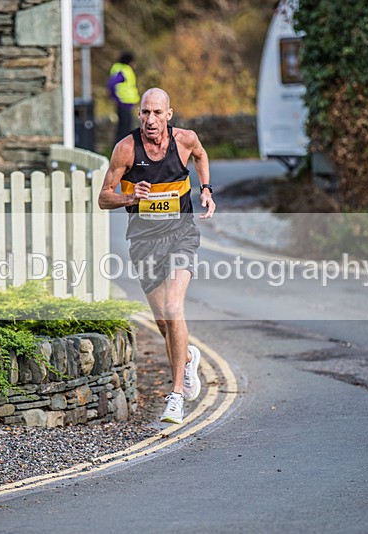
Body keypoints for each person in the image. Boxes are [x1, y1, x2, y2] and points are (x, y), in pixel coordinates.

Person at [98, 87, 215, 424]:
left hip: (181, 235)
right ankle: (188, 356)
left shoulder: (185, 140)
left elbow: (202, 156)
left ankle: (176, 396)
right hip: (144, 243)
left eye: (157, 113)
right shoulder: (125, 149)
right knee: (164, 324)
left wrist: (206, 190)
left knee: (173, 307)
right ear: (139, 115)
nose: (151, 120)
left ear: (169, 115)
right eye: (145, 113)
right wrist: (130, 196)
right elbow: (104, 197)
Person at [107, 52, 140, 146]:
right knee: (124, 129)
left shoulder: (124, 70)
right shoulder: (123, 71)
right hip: (123, 104)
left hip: (126, 104)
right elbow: (112, 84)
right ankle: (121, 150)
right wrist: (116, 98)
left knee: (126, 128)